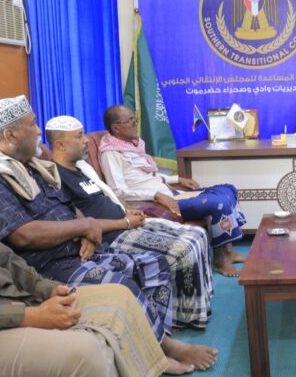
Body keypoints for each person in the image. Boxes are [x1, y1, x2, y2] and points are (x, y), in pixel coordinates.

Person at [0, 109, 217, 377]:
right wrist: (30, 312)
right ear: (10, 134)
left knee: (138, 277)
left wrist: (50, 281)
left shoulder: (24, 170)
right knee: (95, 337)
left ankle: (158, 347)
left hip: (35, 279)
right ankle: (157, 351)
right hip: (46, 267)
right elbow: (22, 236)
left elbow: (3, 255)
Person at [46, 115, 213, 328]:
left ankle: (198, 306)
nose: (86, 140)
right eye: (79, 136)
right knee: (184, 248)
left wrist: (126, 210)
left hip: (126, 221)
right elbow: (78, 222)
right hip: (113, 234)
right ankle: (185, 317)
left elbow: (106, 195)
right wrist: (125, 222)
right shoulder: (56, 178)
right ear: (60, 145)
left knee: (198, 234)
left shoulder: (81, 169)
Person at [99, 105, 247, 277]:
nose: (135, 123)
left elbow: (150, 176)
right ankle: (221, 261)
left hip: (170, 194)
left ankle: (228, 251)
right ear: (116, 127)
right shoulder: (111, 153)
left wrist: (177, 179)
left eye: (135, 119)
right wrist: (155, 195)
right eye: (130, 121)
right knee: (218, 203)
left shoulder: (132, 146)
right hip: (157, 204)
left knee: (228, 189)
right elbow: (117, 191)